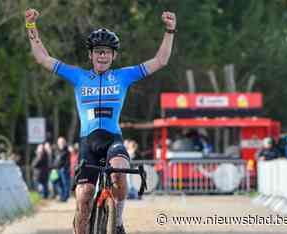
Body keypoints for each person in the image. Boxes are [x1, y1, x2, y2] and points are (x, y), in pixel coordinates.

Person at [25, 8, 175, 234]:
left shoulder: (124, 75)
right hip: (88, 144)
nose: (102, 56)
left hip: (112, 139)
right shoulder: (79, 76)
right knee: (84, 197)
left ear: (114, 56)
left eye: (106, 52)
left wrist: (170, 30)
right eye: (98, 52)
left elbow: (161, 60)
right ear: (90, 55)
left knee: (120, 171)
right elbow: (42, 58)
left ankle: (117, 221)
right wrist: (31, 26)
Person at [53, 136, 71, 201]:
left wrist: (64, 168)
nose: (61, 143)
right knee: (56, 183)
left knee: (65, 183)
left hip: (63, 169)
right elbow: (55, 160)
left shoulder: (67, 151)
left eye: (62, 142)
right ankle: (61, 195)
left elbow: (68, 161)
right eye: (60, 142)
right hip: (56, 169)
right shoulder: (57, 150)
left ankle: (65, 197)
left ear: (65, 142)